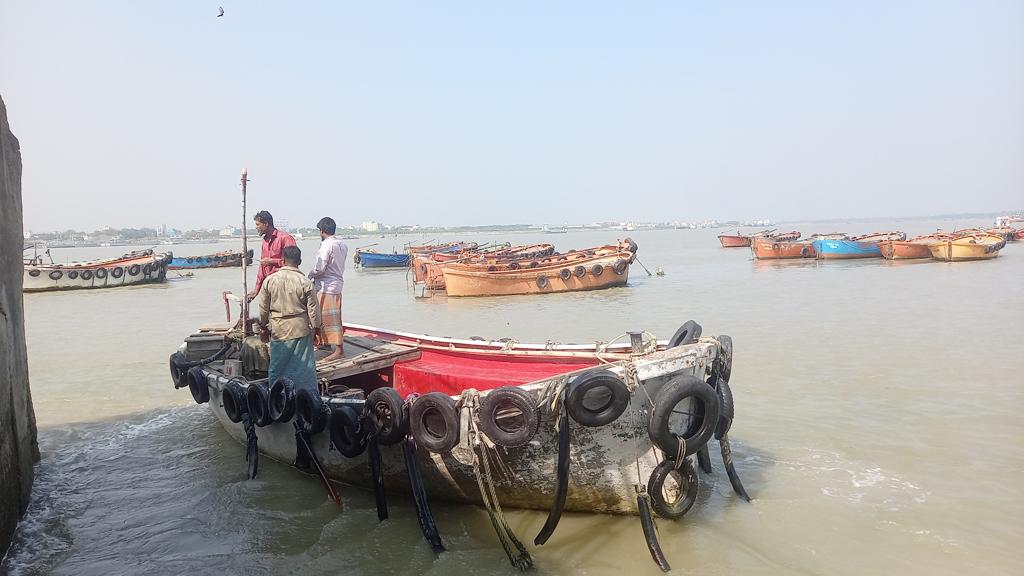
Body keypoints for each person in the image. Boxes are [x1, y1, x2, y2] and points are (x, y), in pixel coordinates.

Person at [258, 245, 322, 394]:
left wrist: (263, 326)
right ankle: (307, 397)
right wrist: (317, 328)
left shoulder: (269, 280)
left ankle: (276, 398)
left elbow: (263, 308)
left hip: (279, 329)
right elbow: (313, 309)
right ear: (299, 261)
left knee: (278, 366)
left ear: (282, 261)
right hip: (300, 328)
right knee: (304, 368)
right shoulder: (305, 282)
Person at [308, 216, 348, 362]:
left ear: (322, 231)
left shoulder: (327, 244)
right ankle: (325, 343)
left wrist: (309, 275)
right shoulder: (342, 244)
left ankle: (339, 350)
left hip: (326, 285)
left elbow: (320, 268)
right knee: (325, 316)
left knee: (330, 318)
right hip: (336, 283)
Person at [247, 210, 297, 302]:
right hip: (269, 286)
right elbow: (262, 267)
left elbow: (294, 262)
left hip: (284, 285)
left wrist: (271, 261)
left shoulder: (285, 238)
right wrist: (256, 290)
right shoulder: (265, 241)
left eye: (258, 225)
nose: (256, 227)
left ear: (266, 223)